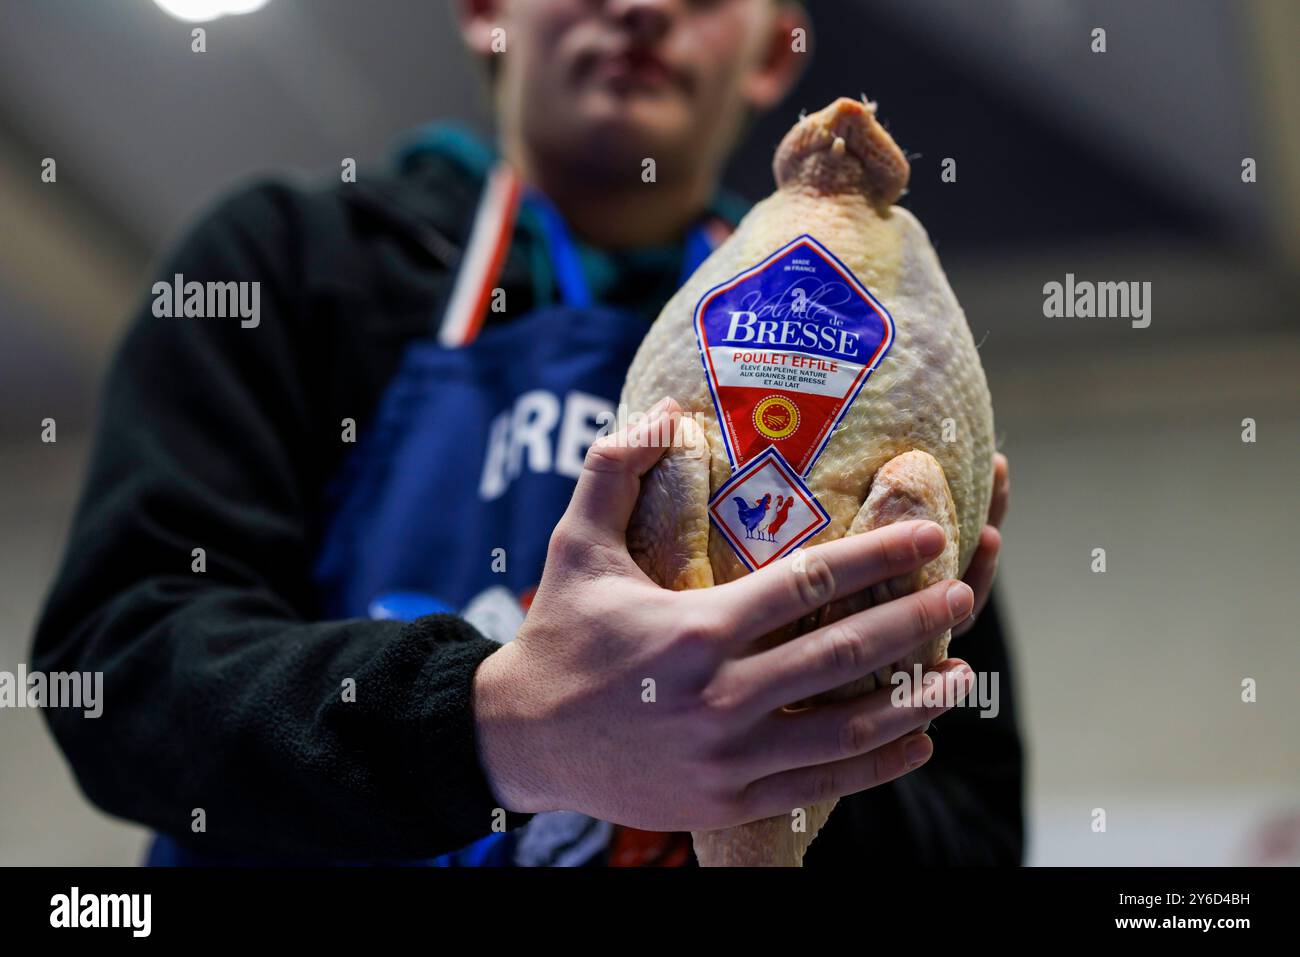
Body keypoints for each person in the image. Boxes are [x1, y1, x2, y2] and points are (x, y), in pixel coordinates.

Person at [33, 0, 1022, 866]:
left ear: (774, 47)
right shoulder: (290, 264)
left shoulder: (870, 357)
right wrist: (506, 726)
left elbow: (973, 837)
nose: (641, 4)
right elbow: (126, 669)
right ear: (483, 6)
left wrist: (806, 745)